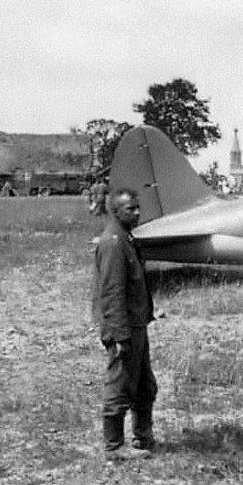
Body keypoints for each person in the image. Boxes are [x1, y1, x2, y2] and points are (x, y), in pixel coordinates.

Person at [92, 188, 158, 461]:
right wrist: (119, 335)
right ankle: (114, 446)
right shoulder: (114, 244)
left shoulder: (127, 240)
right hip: (124, 327)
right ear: (116, 211)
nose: (137, 212)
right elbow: (112, 292)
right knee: (119, 385)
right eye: (131, 209)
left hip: (136, 324)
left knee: (144, 385)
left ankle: (143, 437)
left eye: (138, 207)